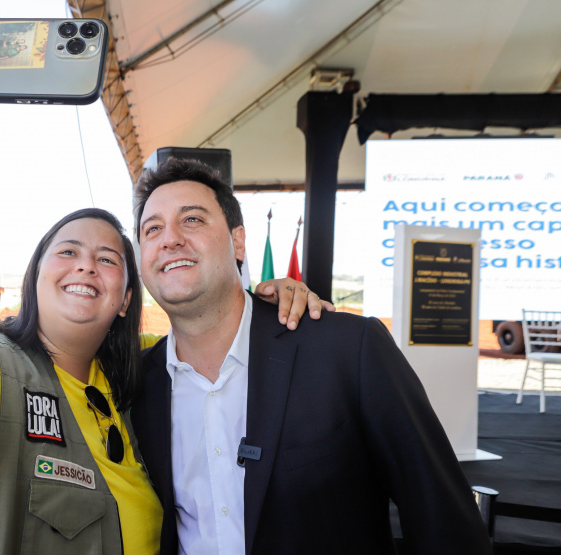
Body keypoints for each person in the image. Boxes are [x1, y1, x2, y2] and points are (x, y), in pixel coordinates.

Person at [0, 6, 326, 553]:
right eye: (67, 251)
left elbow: (216, 335)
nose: (87, 265)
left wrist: (270, 299)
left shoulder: (143, 379)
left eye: (110, 259)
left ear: (124, 300)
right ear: (35, 280)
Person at [129, 158, 493, 554]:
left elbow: (443, 519)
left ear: (238, 241)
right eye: (152, 229)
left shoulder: (348, 350)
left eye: (192, 220)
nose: (170, 239)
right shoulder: (138, 389)